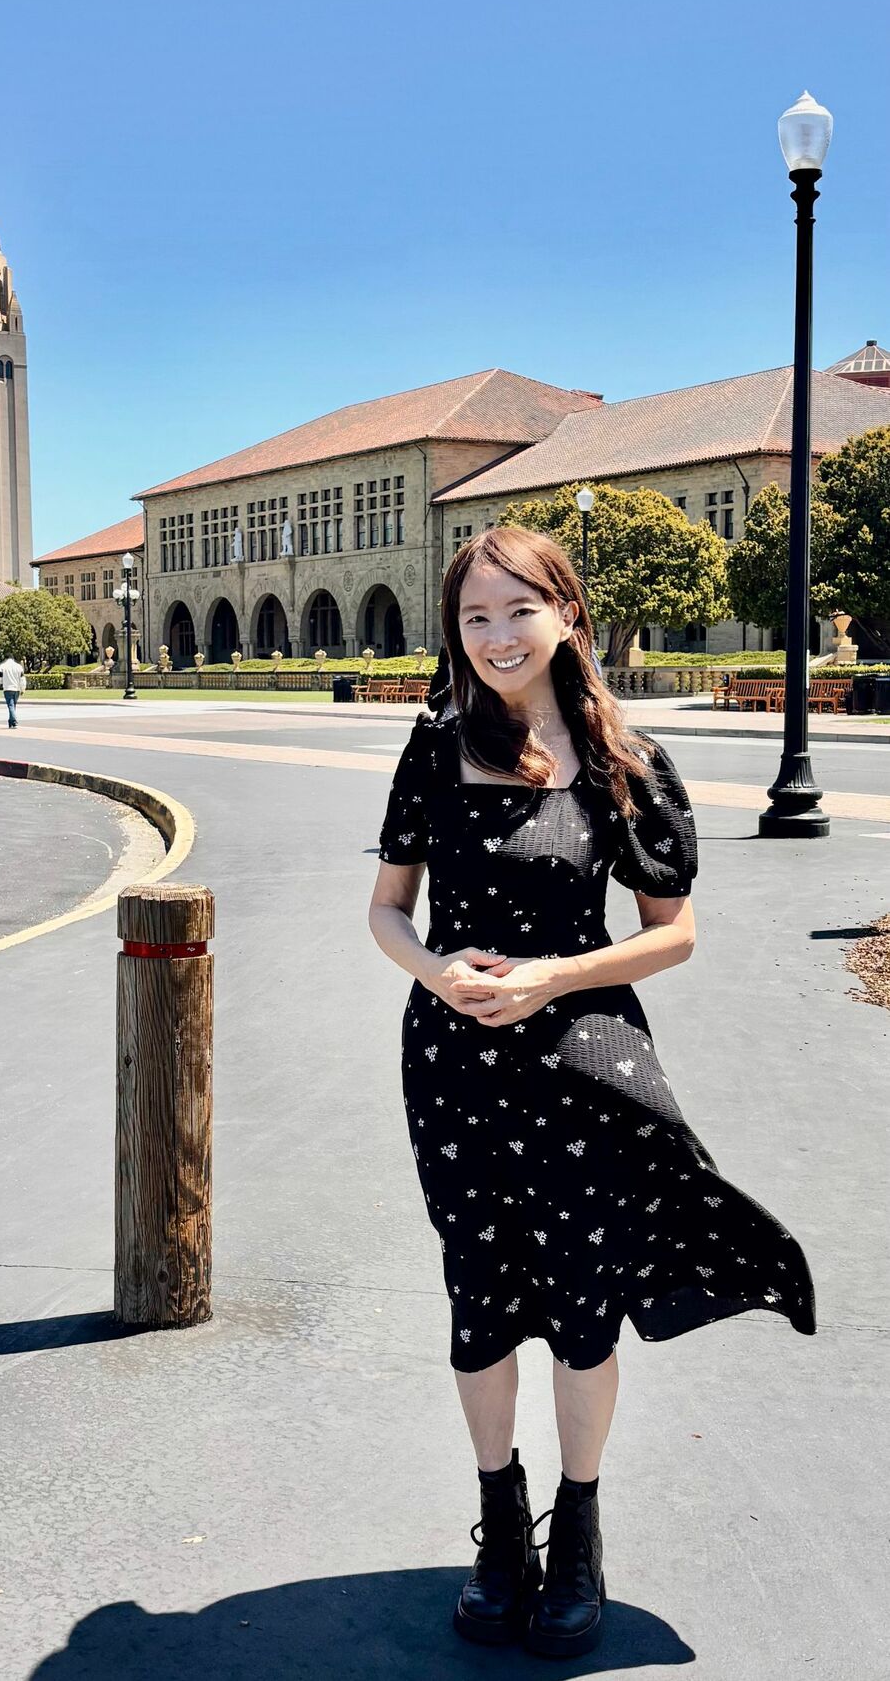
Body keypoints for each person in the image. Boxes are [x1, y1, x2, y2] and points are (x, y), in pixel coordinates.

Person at [368, 527, 814, 1658]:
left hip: (583, 1065)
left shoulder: (626, 760)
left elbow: (677, 932)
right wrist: (437, 970)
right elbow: (386, 909)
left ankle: (578, 1527)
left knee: (578, 1306)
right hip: (455, 1065)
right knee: (479, 1299)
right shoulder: (434, 746)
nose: (497, 634)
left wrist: (560, 975)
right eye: (474, 614)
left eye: (518, 607)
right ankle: (500, 1525)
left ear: (565, 609)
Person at [0, 654, 26, 727]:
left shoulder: (2, 666)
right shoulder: (18, 666)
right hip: (16, 689)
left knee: (10, 705)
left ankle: (13, 720)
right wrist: (23, 688)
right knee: (13, 706)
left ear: (5, 658)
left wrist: (1, 682)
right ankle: (11, 722)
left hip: (7, 688)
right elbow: (22, 678)